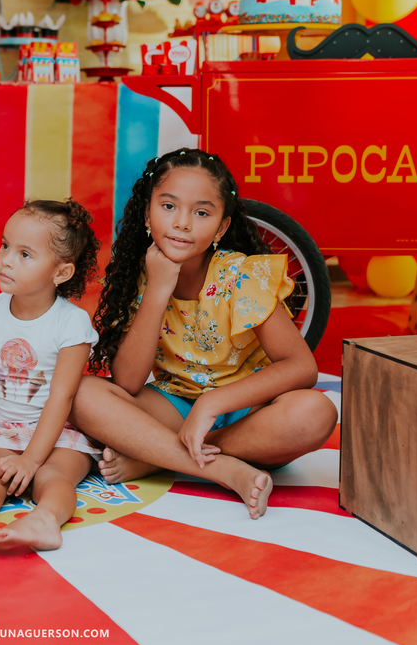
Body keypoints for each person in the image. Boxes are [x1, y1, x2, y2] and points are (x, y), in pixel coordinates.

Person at [70, 148, 337, 519]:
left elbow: (301, 367)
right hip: (175, 404)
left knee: (315, 412)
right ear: (147, 212)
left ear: (221, 227)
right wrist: (159, 291)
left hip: (248, 413)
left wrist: (212, 405)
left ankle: (160, 457)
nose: (182, 223)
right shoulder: (141, 272)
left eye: (201, 212)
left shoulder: (240, 275)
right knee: (81, 393)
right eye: (168, 206)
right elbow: (128, 381)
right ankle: (220, 467)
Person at [0, 200, 101, 551]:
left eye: (25, 254)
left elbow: (62, 397)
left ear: (61, 273)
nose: (7, 259)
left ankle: (45, 521)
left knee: (53, 477)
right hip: (3, 428)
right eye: (5, 245)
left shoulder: (71, 323)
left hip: (57, 433)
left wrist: (31, 459)